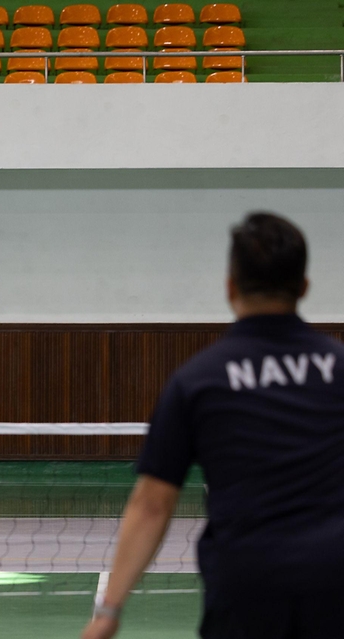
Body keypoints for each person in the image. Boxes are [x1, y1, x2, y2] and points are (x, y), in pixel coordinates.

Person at [82, 212, 344, 639]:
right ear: (303, 287)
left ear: (230, 288)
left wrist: (110, 610)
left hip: (246, 589)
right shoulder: (339, 367)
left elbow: (152, 504)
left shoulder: (199, 379)